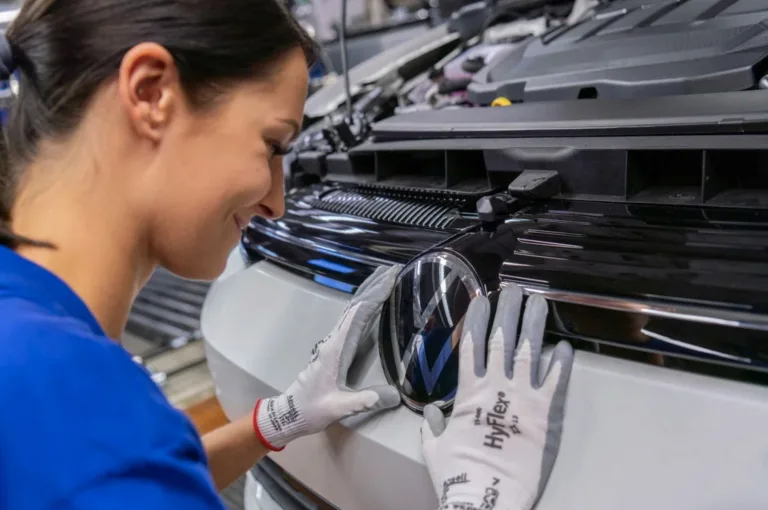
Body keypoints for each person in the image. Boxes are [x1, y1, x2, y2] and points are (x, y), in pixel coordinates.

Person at [0, 1, 575, 509]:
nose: (277, 202)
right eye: (273, 145)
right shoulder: (71, 400)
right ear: (151, 93)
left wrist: (274, 422)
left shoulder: (33, 350)